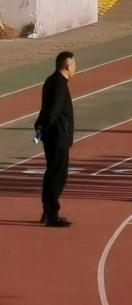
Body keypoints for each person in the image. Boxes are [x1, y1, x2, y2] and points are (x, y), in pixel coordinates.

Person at [35, 51, 75, 226]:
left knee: (51, 172)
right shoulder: (59, 84)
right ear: (67, 66)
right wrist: (46, 127)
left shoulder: (50, 80)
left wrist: (40, 127)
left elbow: (45, 108)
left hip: (52, 135)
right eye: (74, 65)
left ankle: (47, 210)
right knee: (59, 175)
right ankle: (52, 213)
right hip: (58, 136)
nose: (75, 68)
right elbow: (53, 111)